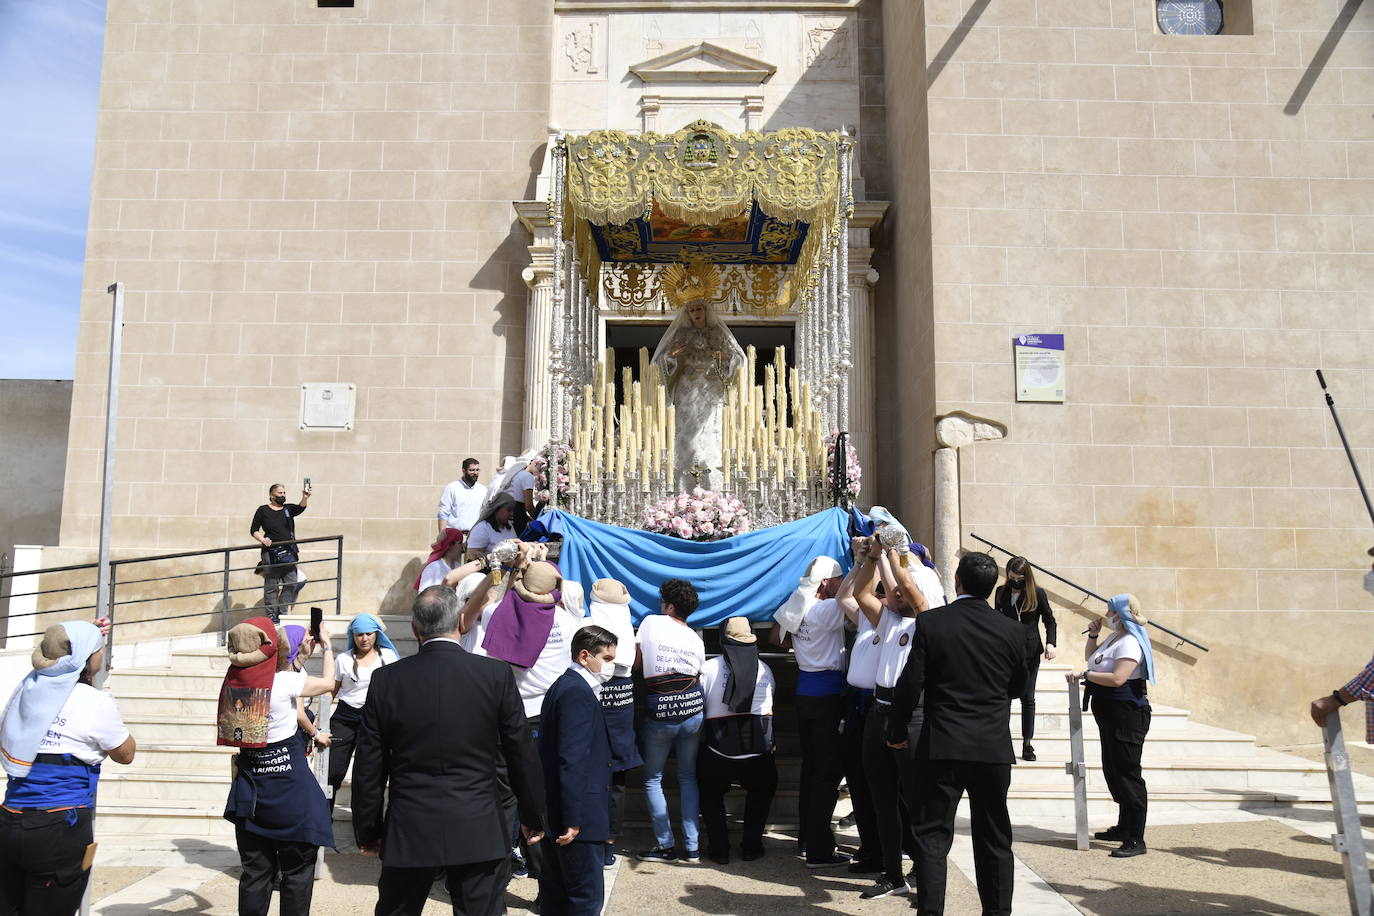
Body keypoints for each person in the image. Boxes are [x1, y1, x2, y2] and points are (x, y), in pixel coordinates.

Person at [352, 586, 546, 916]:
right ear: (460, 621)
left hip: (410, 823)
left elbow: (370, 763)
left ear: (415, 628)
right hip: (478, 822)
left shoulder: (386, 680)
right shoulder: (494, 674)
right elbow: (520, 752)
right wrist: (533, 815)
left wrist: (368, 829)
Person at [886, 551, 1026, 916]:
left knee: (932, 837)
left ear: (957, 582)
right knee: (994, 837)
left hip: (944, 742)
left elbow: (911, 683)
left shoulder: (932, 623)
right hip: (991, 745)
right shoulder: (1012, 630)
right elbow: (1018, 686)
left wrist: (897, 729)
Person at [0, 621, 135, 915]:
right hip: (59, 829)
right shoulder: (95, 703)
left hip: (9, 821)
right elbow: (126, 755)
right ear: (87, 658)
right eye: (99, 650)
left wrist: (88, 635)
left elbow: (62, 658)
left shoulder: (27, 688)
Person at [219, 616, 335, 916]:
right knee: (296, 873)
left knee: (256, 874)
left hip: (251, 792)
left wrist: (297, 660)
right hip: (290, 794)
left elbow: (276, 681)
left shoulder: (233, 681)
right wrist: (329, 648)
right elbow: (326, 684)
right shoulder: (283, 681)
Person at [854, 536, 933, 900]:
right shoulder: (889, 620)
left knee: (915, 798)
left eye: (899, 591)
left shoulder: (926, 622)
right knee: (882, 798)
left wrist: (888, 552)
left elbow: (906, 587)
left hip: (911, 715)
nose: (893, 595)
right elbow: (860, 593)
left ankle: (924, 867)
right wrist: (870, 557)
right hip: (878, 711)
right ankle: (891, 871)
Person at [770, 556, 852, 868]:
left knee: (812, 770)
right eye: (838, 578)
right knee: (827, 774)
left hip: (806, 692)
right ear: (826, 583)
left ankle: (808, 838)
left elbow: (775, 636)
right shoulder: (828, 608)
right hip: (828, 695)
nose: (842, 582)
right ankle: (819, 847)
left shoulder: (798, 607)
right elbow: (858, 596)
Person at [536, 625, 618, 916]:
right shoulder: (575, 692)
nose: (610, 667)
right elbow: (572, 759)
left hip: (568, 813)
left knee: (558, 896)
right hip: (577, 817)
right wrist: (573, 818)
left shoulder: (567, 686)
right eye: (606, 659)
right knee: (584, 898)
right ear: (585, 656)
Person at [1067, 593, 1154, 859]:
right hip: (1109, 714)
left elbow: (1118, 678)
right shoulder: (1115, 638)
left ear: (1122, 614)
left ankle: (1136, 838)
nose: (1107, 616)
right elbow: (1093, 659)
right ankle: (1123, 827)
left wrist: (1087, 676)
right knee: (1114, 769)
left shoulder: (1131, 642)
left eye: (1111, 612)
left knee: (1128, 773)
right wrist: (1093, 637)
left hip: (1126, 714)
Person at [649, 261, 746, 490]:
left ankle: (713, 482)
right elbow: (662, 362)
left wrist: (723, 357)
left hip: (711, 389)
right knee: (688, 432)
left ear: (706, 310)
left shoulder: (717, 333)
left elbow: (738, 359)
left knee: (711, 431)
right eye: (692, 310)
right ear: (688, 313)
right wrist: (672, 355)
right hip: (687, 388)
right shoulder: (680, 333)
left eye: (699, 309)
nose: (696, 314)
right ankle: (683, 485)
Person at [635, 578, 707, 864]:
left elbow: (637, 663)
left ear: (670, 606)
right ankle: (692, 847)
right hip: (693, 712)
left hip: (660, 712)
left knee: (653, 779)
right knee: (688, 777)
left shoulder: (652, 622)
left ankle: (665, 846)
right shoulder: (696, 638)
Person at [698, 618, 777, 866]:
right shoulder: (765, 668)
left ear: (723, 641)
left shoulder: (708, 668)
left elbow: (699, 703)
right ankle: (752, 847)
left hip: (718, 747)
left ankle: (719, 849)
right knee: (761, 792)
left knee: (711, 796)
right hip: (758, 749)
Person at [583, 578, 641, 868]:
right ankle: (608, 843)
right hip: (623, 703)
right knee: (617, 778)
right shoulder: (626, 625)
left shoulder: (589, 624)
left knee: (592, 775)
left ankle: (593, 839)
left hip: (596, 700)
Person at [326, 614, 400, 811]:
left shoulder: (388, 657)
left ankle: (367, 831)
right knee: (331, 772)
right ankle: (323, 818)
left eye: (369, 633)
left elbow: (396, 690)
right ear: (353, 635)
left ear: (376, 634)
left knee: (368, 776)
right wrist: (320, 720)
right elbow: (331, 690)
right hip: (345, 717)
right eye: (359, 634)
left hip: (374, 719)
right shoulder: (343, 659)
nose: (364, 638)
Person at [994, 556, 1056, 762]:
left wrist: (1051, 643)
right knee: (1005, 698)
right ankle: (1003, 741)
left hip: (1029, 652)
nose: (1015, 581)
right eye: (1011, 577)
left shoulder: (1037, 594)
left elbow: (1049, 620)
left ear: (1026, 577)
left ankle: (1027, 743)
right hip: (1006, 652)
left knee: (1027, 698)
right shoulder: (1001, 593)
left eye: (1019, 578)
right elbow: (996, 619)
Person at [251, 482, 312, 622]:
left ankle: (283, 614)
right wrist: (262, 539)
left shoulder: (287, 509)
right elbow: (253, 529)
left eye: (284, 493)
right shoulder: (263, 510)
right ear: (271, 495)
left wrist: (305, 497)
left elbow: (300, 507)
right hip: (270, 553)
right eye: (280, 493)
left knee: (290, 583)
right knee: (271, 586)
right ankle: (272, 617)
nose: (283, 495)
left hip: (289, 552)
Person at [437, 457, 488, 536]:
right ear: (463, 471)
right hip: (454, 537)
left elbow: (487, 512)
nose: (475, 473)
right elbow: (443, 513)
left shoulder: (483, 490)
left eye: (477, 470)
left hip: (474, 536)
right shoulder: (452, 488)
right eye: (471, 470)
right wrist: (442, 536)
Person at [465, 493, 520, 562]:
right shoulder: (482, 528)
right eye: (508, 510)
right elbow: (472, 556)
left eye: (512, 510)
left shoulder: (509, 526)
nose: (511, 514)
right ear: (497, 508)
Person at [500, 461, 538, 534]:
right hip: (517, 514)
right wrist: (538, 519)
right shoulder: (527, 476)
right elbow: (529, 506)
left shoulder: (516, 475)